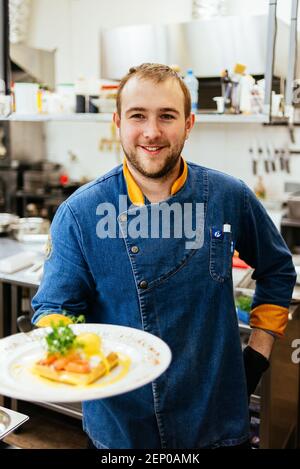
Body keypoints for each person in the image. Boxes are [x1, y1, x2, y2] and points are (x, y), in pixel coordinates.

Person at [31, 63, 296, 449]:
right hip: (121, 427)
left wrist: (258, 354)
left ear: (188, 124)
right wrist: (66, 353)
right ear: (118, 123)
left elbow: (277, 269)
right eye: (138, 116)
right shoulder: (80, 213)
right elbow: (55, 307)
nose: (152, 132)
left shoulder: (228, 196)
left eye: (167, 116)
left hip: (215, 419)